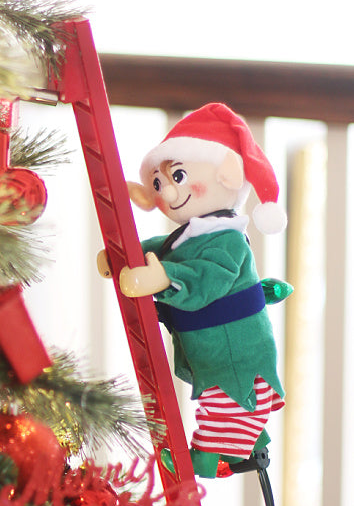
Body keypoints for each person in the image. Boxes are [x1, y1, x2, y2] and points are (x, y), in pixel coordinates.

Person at [100, 102, 287, 478]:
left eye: (178, 176)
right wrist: (122, 258)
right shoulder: (186, 237)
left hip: (235, 354)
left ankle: (201, 460)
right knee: (232, 406)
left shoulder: (228, 242)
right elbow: (159, 248)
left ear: (228, 175)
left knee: (224, 407)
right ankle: (248, 444)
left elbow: (206, 279)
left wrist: (163, 279)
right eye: (158, 183)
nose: (167, 193)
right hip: (214, 351)